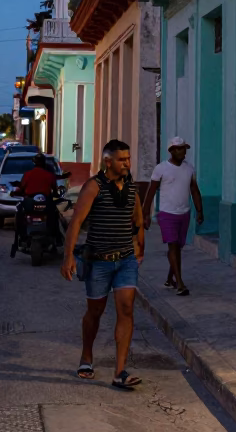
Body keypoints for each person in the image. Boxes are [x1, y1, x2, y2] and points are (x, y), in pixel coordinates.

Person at [60, 139, 144, 389]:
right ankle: (87, 356)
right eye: (122, 159)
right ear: (108, 162)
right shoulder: (93, 187)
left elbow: (138, 219)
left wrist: (140, 249)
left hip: (125, 260)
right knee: (95, 312)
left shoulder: (131, 188)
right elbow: (75, 223)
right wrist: (68, 257)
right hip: (99, 262)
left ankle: (120, 372)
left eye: (128, 159)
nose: (127, 163)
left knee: (126, 309)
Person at [142, 137, 203, 297]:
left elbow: (194, 190)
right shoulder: (161, 169)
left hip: (185, 213)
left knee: (178, 247)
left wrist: (199, 210)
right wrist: (145, 214)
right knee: (173, 246)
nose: (183, 152)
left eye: (184, 148)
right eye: (179, 148)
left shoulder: (189, 169)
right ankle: (180, 284)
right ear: (171, 151)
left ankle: (170, 278)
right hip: (167, 214)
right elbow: (151, 191)